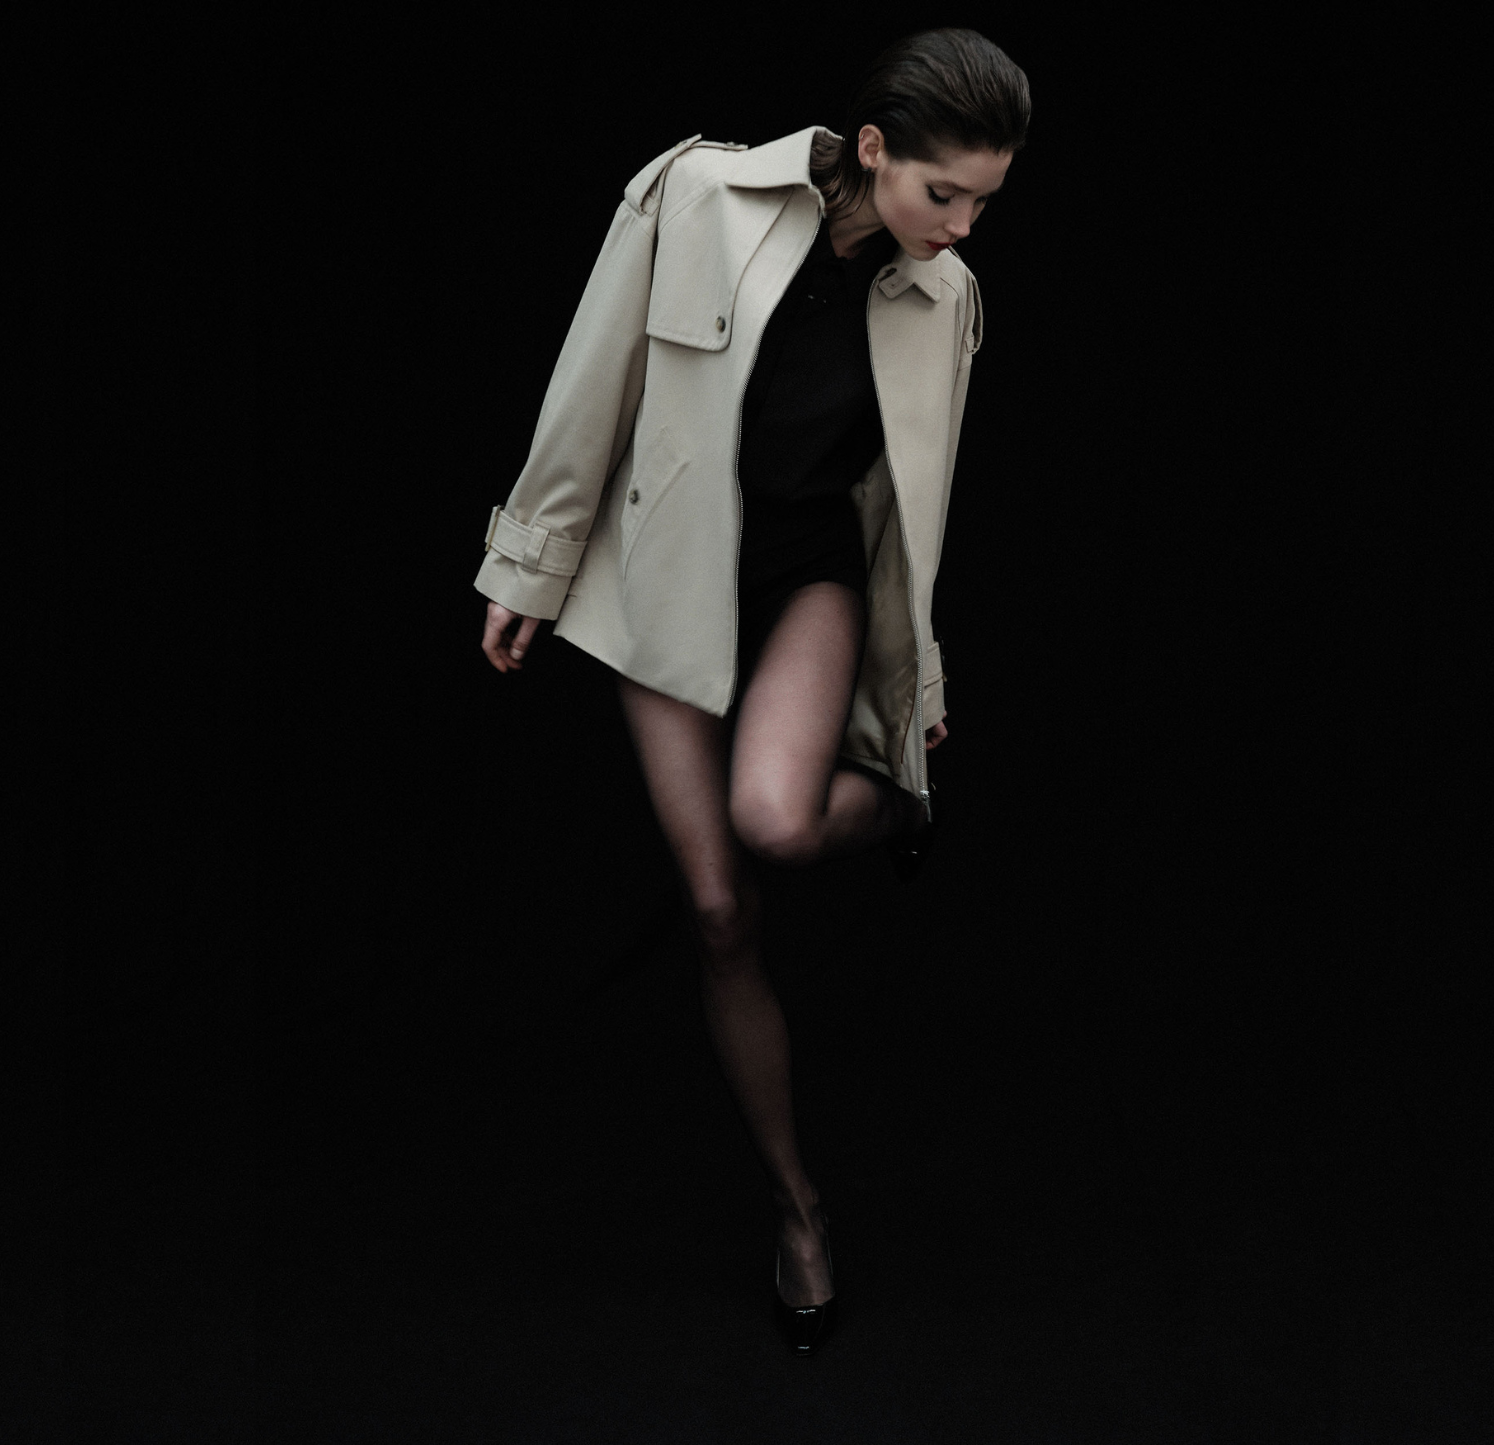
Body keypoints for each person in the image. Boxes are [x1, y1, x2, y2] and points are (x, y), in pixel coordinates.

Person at [473, 28, 1029, 1353]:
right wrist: (530, 562)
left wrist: (914, 695)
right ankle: (798, 1212)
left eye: (984, 203)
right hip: (661, 574)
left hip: (805, 576)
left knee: (778, 822)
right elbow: (594, 376)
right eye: (942, 193)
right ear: (875, 149)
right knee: (720, 911)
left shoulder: (945, 301)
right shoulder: (694, 193)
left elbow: (915, 521)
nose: (960, 227)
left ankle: (896, 805)